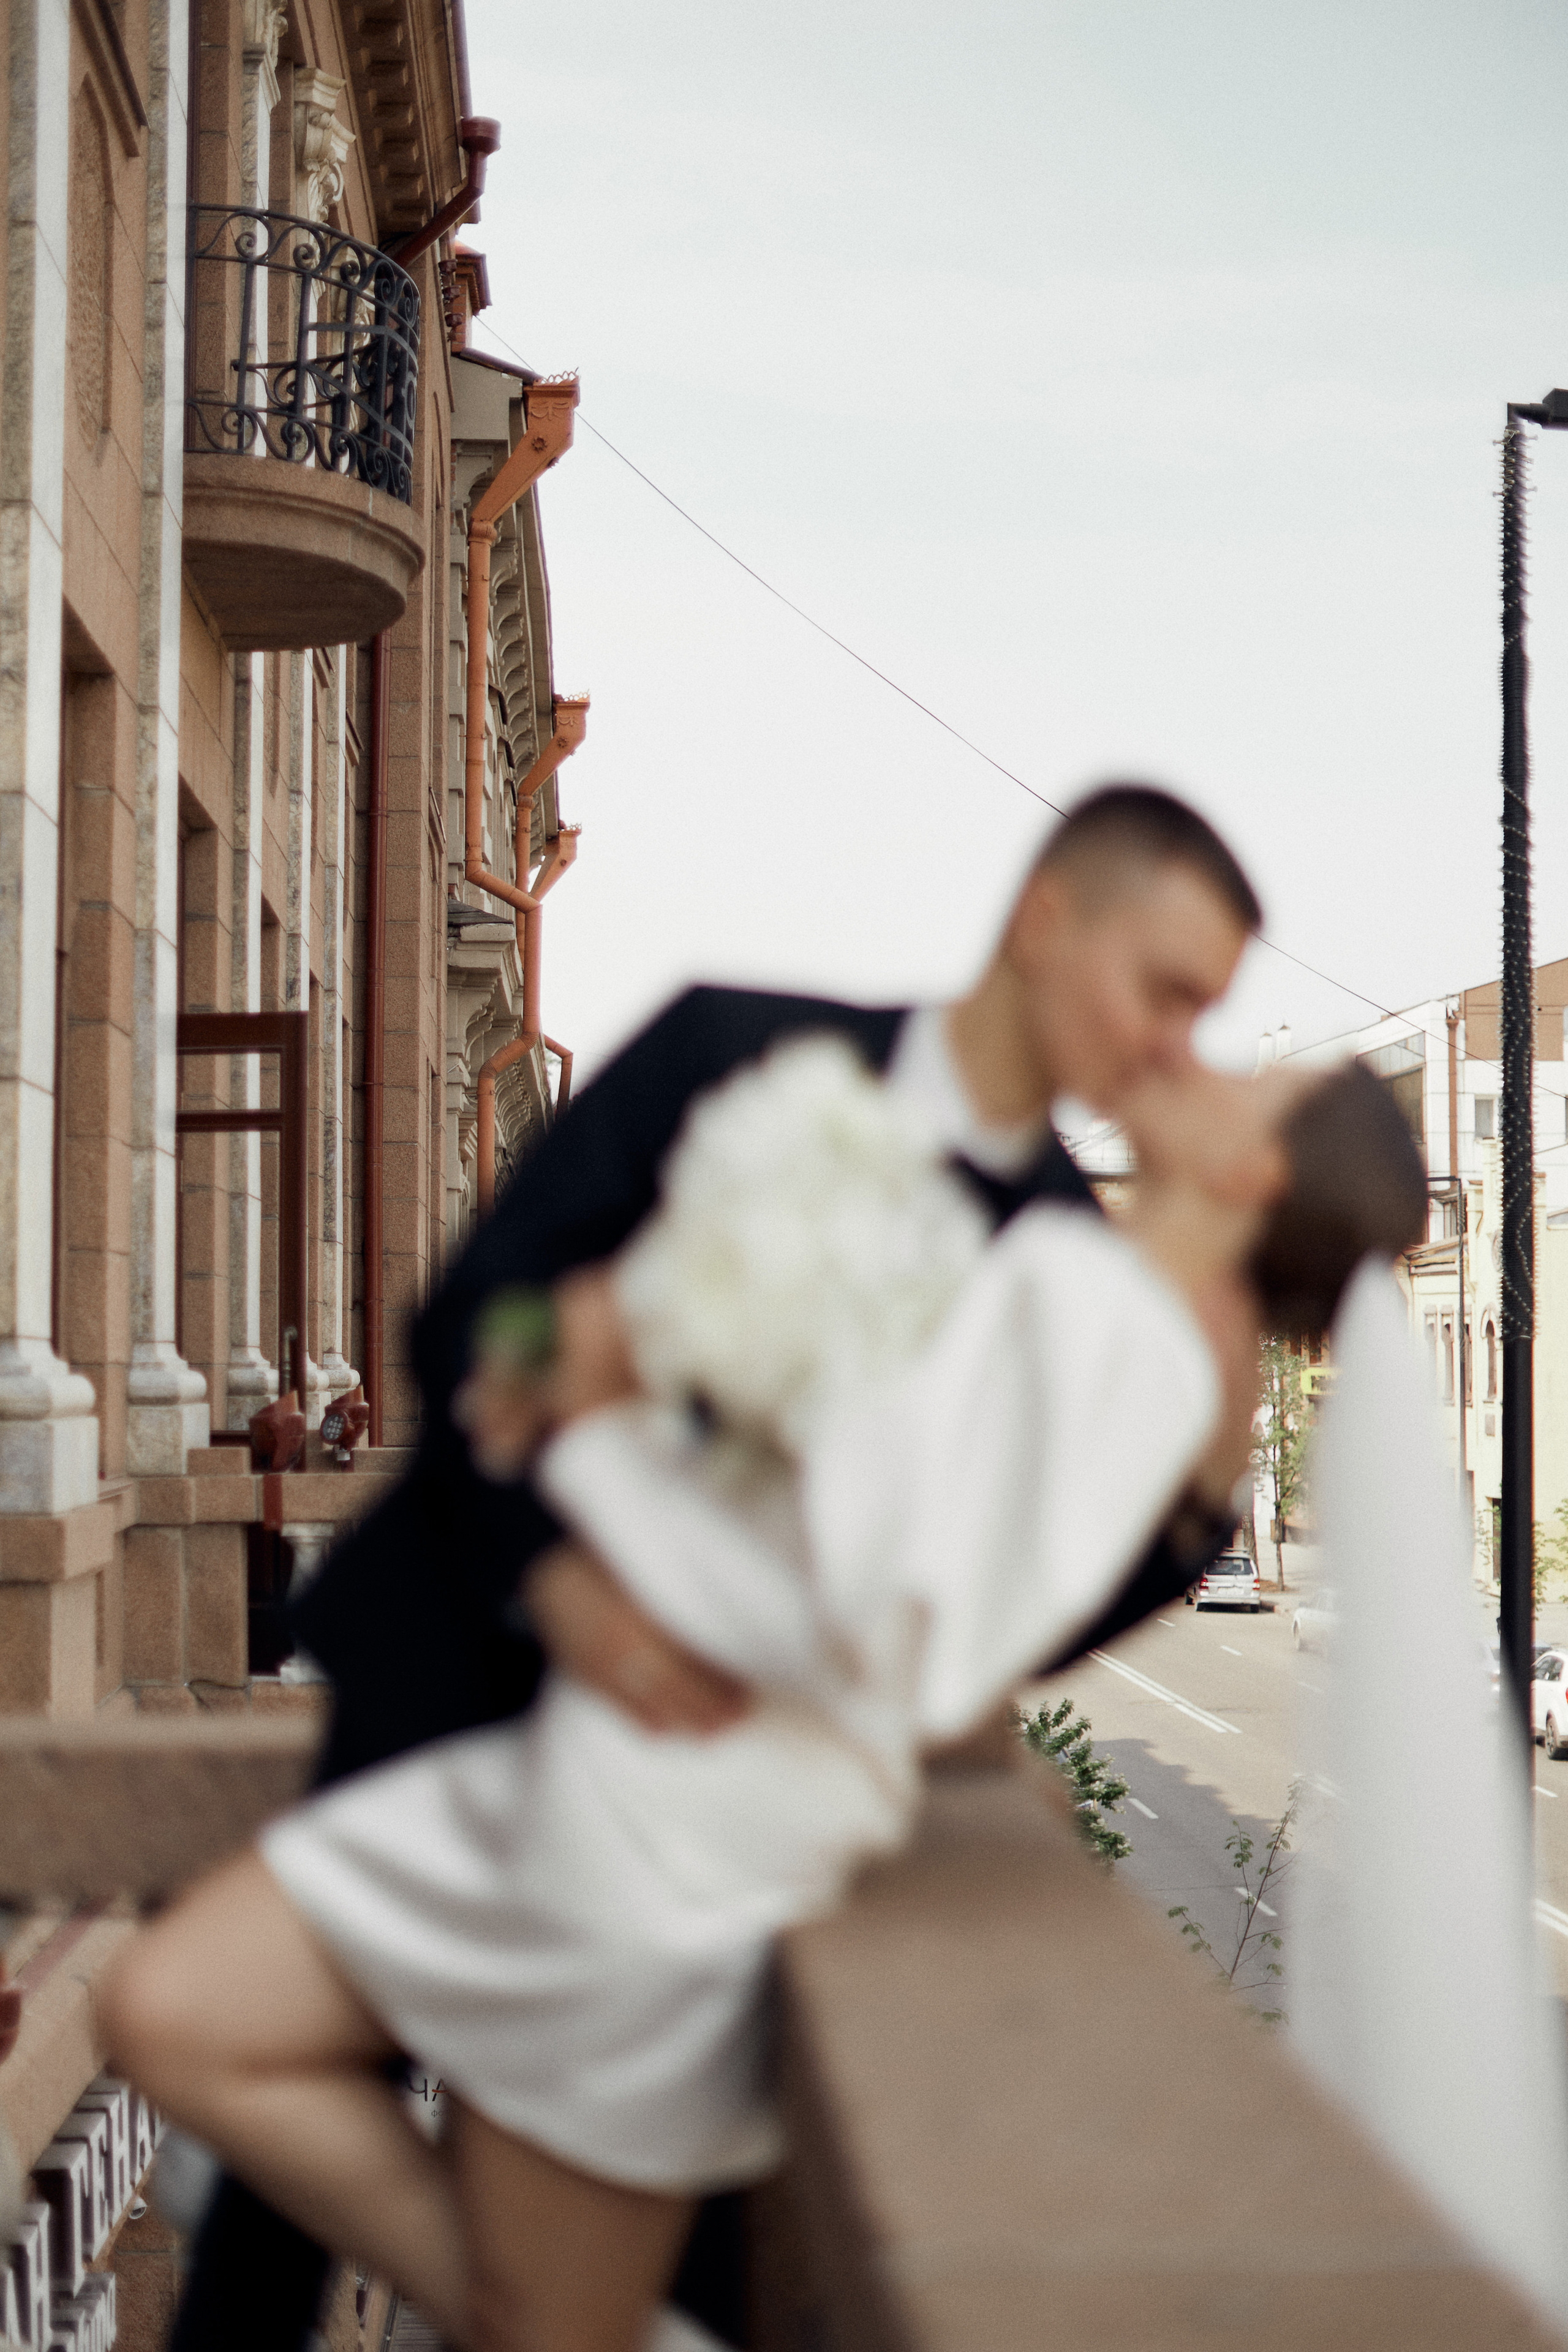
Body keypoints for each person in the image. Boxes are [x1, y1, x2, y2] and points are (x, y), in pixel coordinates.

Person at [160, 783, 1271, 2351]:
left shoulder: (1059, 1267)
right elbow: (485, 1314)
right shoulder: (734, 1050)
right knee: (270, 2231)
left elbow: (1015, 1599)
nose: (1177, 1051)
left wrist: (1202, 1481)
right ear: (1043, 919)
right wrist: (560, 1571)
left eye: (1208, 1018)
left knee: (651, 2250)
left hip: (696, 1814)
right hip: (466, 1659)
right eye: (1164, 992)